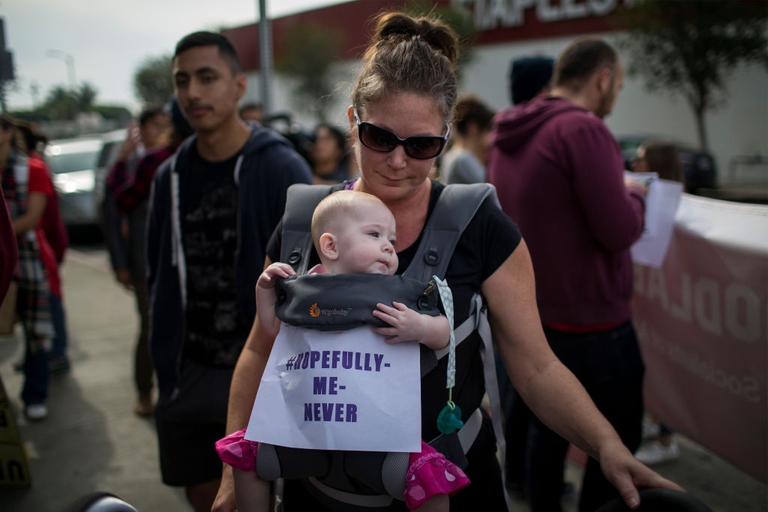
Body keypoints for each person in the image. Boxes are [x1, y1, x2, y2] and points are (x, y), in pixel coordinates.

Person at [214, 13, 681, 512]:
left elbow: (536, 366)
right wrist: (230, 476)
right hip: (321, 494)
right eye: (379, 137)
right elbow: (260, 353)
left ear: (446, 135)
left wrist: (606, 446)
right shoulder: (306, 222)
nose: (397, 161)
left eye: (421, 146)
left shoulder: (480, 225)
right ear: (353, 120)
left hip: (454, 486)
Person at [216, 190, 470, 512]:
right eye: (375, 234)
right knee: (245, 457)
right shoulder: (303, 289)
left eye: (391, 239)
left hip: (382, 440)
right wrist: (264, 290)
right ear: (330, 246)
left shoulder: (398, 294)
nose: (389, 246)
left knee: (433, 487)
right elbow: (274, 332)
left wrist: (420, 328)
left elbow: (444, 336)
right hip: (306, 427)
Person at [146, 31, 313, 512]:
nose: (193, 93)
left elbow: (312, 277)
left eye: (207, 77)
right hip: (188, 367)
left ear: (239, 85)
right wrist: (164, 367)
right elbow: (158, 277)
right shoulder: (168, 177)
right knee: (202, 493)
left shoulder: (280, 167)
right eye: (182, 81)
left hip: (261, 367)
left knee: (263, 497)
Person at [487, 37, 651, 512]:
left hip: (537, 313)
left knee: (550, 430)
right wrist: (634, 192)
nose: (615, 95)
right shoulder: (583, 130)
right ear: (602, 79)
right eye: (618, 84)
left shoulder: (510, 130)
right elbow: (618, 229)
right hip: (596, 322)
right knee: (616, 438)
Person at [493, 53, 556, 499]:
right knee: (537, 391)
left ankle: (514, 474)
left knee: (515, 390)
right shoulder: (559, 132)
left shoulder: (501, 137)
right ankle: (533, 486)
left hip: (502, 279)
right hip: (547, 288)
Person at [105, 101, 190, 417]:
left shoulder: (180, 155)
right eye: (154, 124)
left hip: (181, 257)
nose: (162, 129)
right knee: (152, 325)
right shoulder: (137, 165)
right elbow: (114, 213)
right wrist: (120, 264)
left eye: (164, 122)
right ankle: (145, 389)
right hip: (144, 260)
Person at [630, 139, 683, 466]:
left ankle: (666, 438)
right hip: (650, 298)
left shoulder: (672, 205)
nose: (634, 165)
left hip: (668, 302)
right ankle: (656, 424)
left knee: (665, 366)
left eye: (640, 160)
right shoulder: (654, 199)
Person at [0, 114, 55, 421]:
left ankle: (35, 394)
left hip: (29, 264)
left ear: (8, 133)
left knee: (39, 333)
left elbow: (33, 217)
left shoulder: (31, 169)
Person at [14, 120, 71, 375]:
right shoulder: (17, 170)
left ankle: (56, 354)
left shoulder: (33, 167)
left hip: (41, 247)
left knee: (48, 302)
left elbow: (39, 218)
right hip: (35, 246)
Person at [439, 93, 495, 184]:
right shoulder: (463, 159)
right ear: (472, 128)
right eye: (488, 129)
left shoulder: (452, 155)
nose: (491, 135)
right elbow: (491, 187)